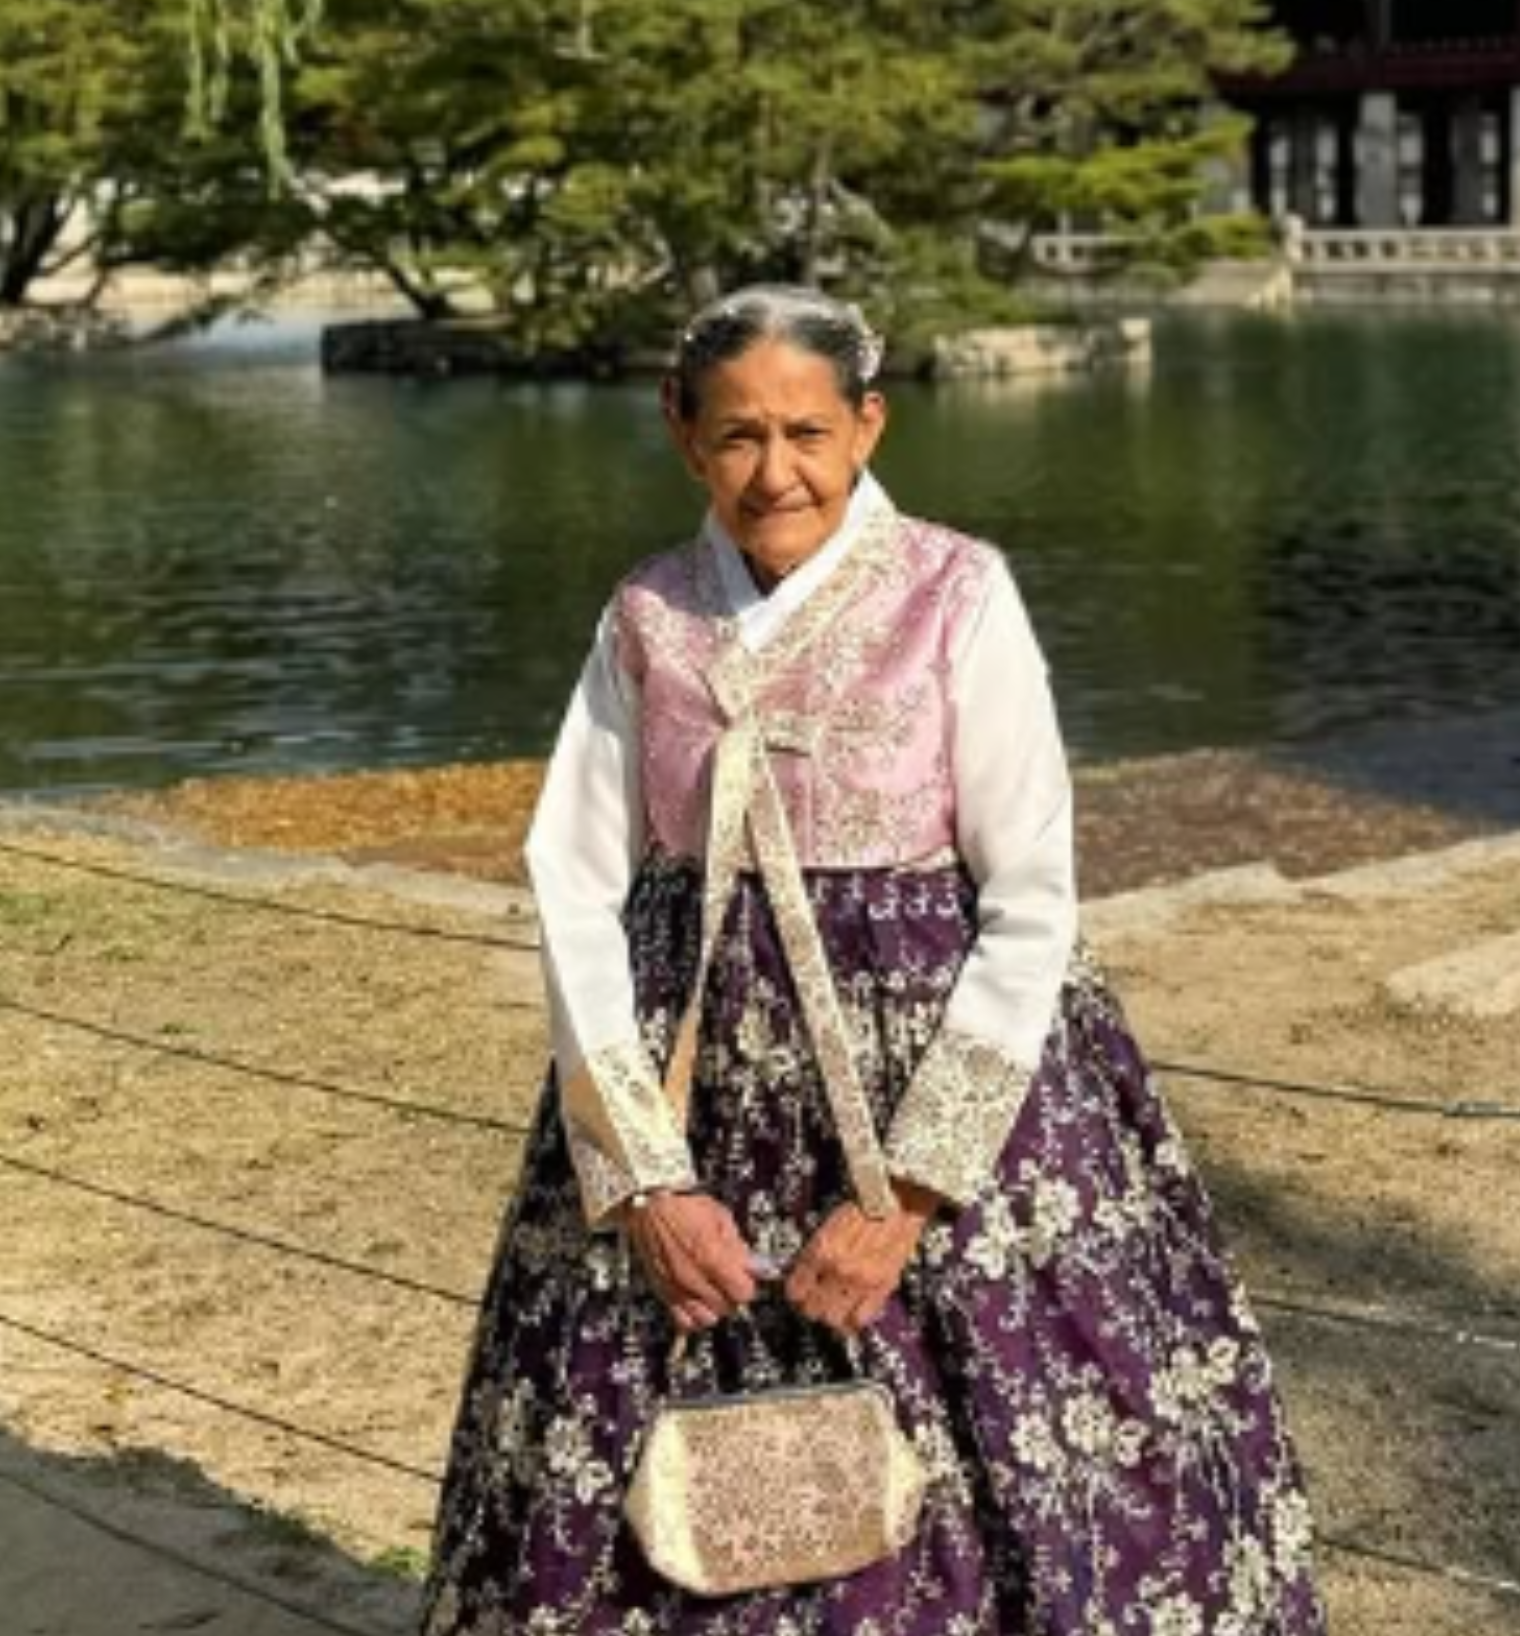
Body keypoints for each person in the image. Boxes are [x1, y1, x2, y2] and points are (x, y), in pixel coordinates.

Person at [422, 286, 1323, 1634]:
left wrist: (909, 1192)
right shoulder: (648, 617)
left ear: (867, 425)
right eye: (736, 436)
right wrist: (646, 1179)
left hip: (941, 1102)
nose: (773, 471)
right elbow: (574, 882)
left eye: (805, 431)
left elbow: (1031, 898)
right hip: (688, 1107)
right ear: (681, 435)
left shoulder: (958, 592)